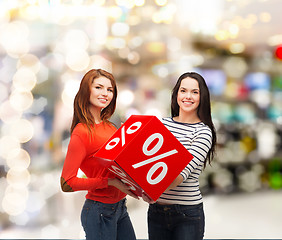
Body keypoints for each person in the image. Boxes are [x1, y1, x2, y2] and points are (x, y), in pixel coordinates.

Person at [60, 69, 138, 240]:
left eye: (110, 90)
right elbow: (67, 183)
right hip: (99, 211)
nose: (105, 93)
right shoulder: (81, 133)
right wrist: (109, 182)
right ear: (86, 90)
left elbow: (119, 166)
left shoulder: (111, 127)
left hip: (120, 208)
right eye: (99, 87)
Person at [143, 72, 217, 240]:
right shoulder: (161, 124)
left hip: (187, 214)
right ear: (176, 94)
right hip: (156, 212)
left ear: (202, 97)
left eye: (195, 92)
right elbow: (145, 163)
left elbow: (179, 175)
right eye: (183, 91)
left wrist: (148, 187)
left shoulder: (203, 132)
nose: (188, 96)